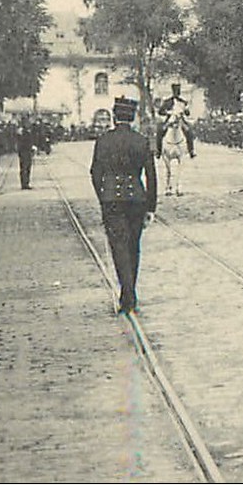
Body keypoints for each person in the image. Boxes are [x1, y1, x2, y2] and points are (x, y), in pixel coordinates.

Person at [91, 96, 159, 313]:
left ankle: (127, 293)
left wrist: (103, 197)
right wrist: (151, 206)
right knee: (133, 247)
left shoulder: (103, 141)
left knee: (118, 246)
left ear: (114, 117)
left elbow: (95, 173)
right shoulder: (141, 141)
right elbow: (151, 175)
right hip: (136, 200)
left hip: (112, 200)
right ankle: (130, 291)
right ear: (132, 117)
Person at [157, 82, 195, 197]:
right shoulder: (167, 102)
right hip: (170, 120)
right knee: (159, 131)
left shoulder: (183, 102)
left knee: (189, 131)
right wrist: (168, 112)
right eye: (175, 91)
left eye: (178, 91)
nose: (177, 93)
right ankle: (158, 151)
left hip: (180, 120)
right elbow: (160, 111)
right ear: (173, 91)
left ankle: (191, 150)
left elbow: (188, 113)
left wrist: (185, 110)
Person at [15, 118, 37, 190]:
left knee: (27, 168)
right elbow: (21, 143)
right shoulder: (22, 132)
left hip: (27, 151)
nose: (29, 124)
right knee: (24, 168)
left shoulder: (27, 132)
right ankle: (24, 184)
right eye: (27, 123)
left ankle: (26, 183)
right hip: (24, 152)